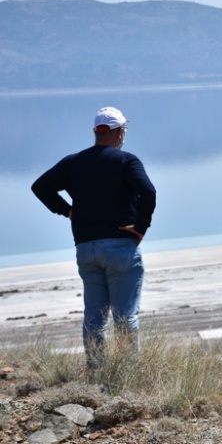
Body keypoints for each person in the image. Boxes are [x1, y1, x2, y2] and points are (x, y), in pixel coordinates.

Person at [31, 107, 156, 370]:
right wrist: (140, 228)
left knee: (94, 317)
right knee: (125, 317)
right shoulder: (126, 161)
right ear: (120, 132)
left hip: (86, 249)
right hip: (121, 247)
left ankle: (97, 372)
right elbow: (148, 191)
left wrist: (67, 211)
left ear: (96, 132)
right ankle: (126, 373)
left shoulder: (73, 162)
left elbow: (40, 187)